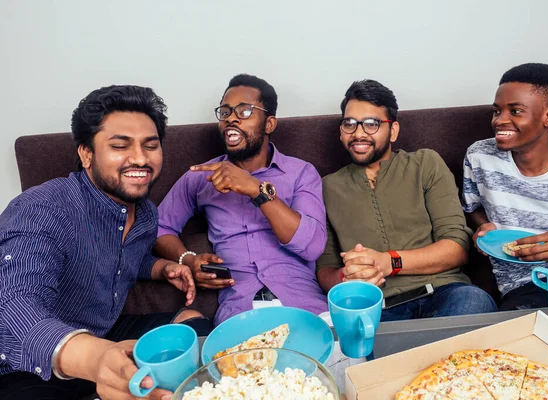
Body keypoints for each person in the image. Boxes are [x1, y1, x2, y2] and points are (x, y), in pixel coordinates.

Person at [0, 85, 211, 400]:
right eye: (120, 145)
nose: (140, 158)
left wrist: (162, 267)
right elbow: (15, 304)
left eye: (150, 145)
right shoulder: (42, 208)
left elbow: (124, 257)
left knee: (192, 328)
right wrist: (96, 358)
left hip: (103, 334)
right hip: (25, 369)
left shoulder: (145, 216)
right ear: (86, 154)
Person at [154, 74, 329, 325]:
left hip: (304, 305)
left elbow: (312, 245)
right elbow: (159, 226)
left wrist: (255, 189)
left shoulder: (301, 172)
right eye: (225, 112)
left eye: (245, 111)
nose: (231, 118)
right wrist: (189, 259)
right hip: (240, 312)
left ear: (269, 124)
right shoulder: (200, 176)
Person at [317, 79, 497, 321]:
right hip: (377, 309)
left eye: (371, 124)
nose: (358, 133)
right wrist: (347, 276)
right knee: (357, 336)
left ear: (393, 131)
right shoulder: (327, 186)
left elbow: (457, 248)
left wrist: (389, 262)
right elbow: (325, 270)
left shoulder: (425, 164)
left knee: (475, 302)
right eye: (349, 123)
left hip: (445, 293)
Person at [463, 63, 548, 310]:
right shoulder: (479, 156)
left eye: (515, 111)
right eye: (497, 111)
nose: (499, 121)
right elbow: (470, 208)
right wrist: (483, 225)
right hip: (528, 282)